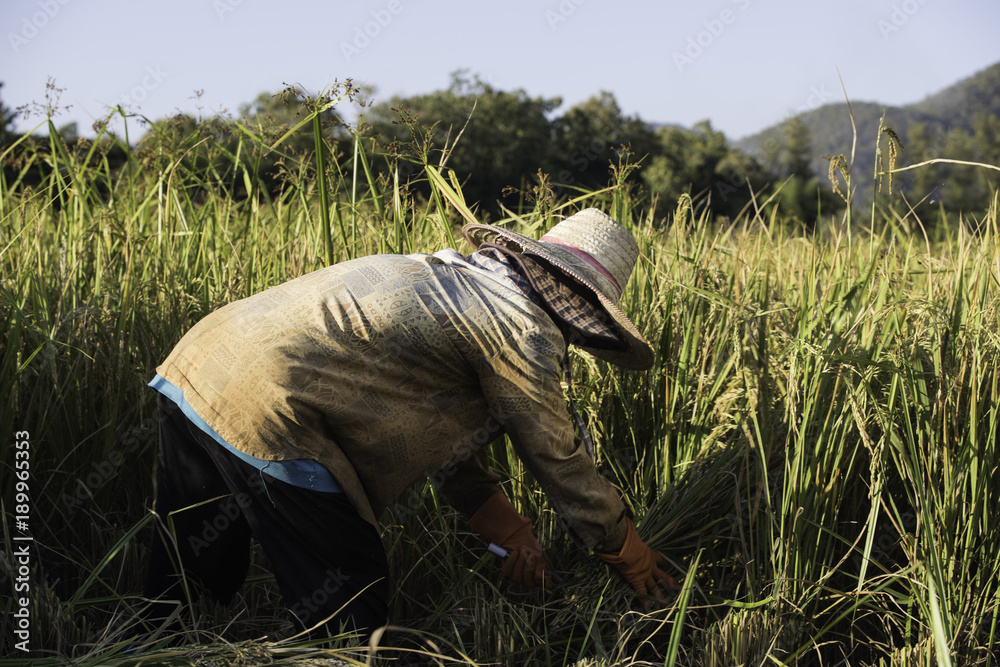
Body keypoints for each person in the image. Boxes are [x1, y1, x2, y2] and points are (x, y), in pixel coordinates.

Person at [142, 208, 678, 639]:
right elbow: (558, 458)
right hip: (270, 403)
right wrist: (626, 551)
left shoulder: (451, 279)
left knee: (189, 566)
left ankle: (143, 649)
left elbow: (441, 438)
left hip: (197, 362)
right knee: (348, 596)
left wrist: (511, 533)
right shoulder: (523, 329)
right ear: (586, 308)